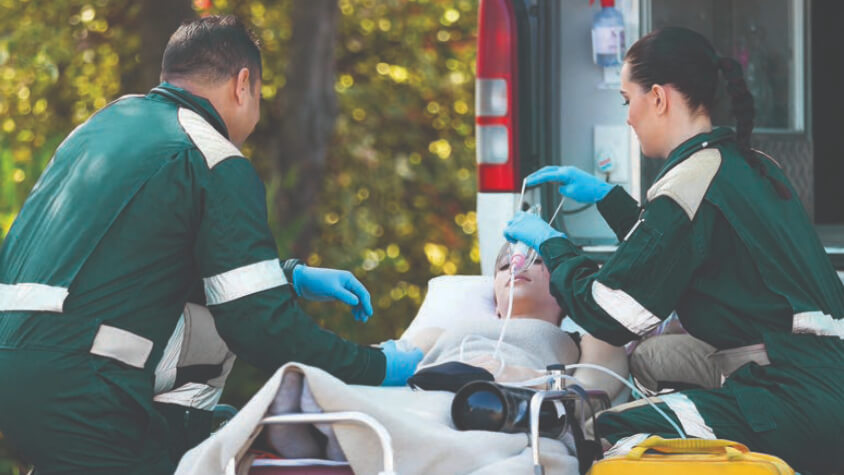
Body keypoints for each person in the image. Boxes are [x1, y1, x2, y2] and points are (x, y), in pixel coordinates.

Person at [0, 16, 422, 475]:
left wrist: (288, 277)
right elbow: (260, 325)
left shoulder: (99, 131)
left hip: (16, 371)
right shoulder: (213, 156)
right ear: (243, 84)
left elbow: (128, 265)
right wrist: (376, 367)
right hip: (86, 392)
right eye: (259, 95)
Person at [503, 26, 844, 474]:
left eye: (629, 101)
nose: (627, 117)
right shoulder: (751, 165)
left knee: (613, 430)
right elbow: (678, 248)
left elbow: (616, 314)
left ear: (659, 98)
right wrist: (607, 198)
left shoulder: (690, 181)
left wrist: (554, 246)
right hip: (823, 377)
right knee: (654, 361)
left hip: (792, 397)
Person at [409, 244, 629, 401]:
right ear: (495, 303)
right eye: (504, 266)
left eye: (538, 262)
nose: (516, 267)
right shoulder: (435, 335)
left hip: (500, 409)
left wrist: (521, 377)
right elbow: (383, 366)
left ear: (564, 291)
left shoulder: (593, 342)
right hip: (421, 402)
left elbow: (589, 397)